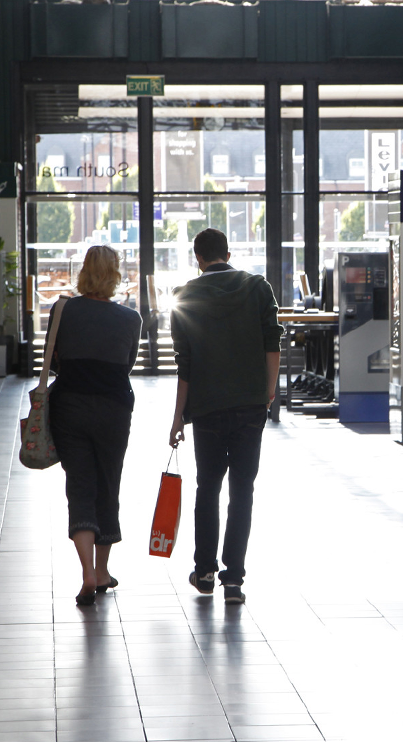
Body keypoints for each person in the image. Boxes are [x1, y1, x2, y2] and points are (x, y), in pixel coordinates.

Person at [168, 228, 282, 605]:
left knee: (208, 488)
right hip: (251, 405)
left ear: (197, 258)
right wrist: (267, 393)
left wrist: (177, 418)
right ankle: (234, 580)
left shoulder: (185, 296)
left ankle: (204, 571)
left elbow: (184, 366)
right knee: (243, 491)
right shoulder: (257, 288)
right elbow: (272, 344)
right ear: (228, 253)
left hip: (208, 409)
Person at [47, 245, 142, 607]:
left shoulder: (63, 310)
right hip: (114, 409)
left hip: (69, 405)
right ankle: (102, 571)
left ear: (84, 271)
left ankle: (86, 571)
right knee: (107, 484)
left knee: (80, 485)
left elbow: (50, 361)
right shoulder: (129, 319)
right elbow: (127, 364)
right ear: (115, 274)